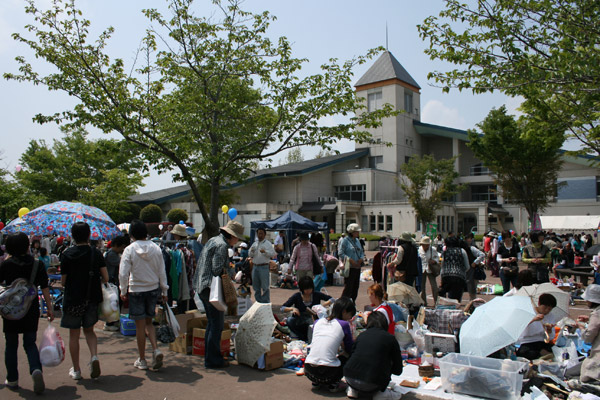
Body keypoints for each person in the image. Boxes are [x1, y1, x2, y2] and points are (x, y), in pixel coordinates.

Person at [0, 232, 54, 394]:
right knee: (29, 343)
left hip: (11, 310)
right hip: (30, 308)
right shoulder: (36, 264)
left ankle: (12, 378)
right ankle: (36, 369)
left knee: (11, 344)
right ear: (27, 246)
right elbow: (45, 287)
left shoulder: (5, 265)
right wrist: (49, 308)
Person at [60, 222, 109, 380]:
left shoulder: (67, 254)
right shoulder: (96, 253)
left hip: (73, 299)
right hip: (91, 298)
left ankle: (76, 370)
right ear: (89, 235)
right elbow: (106, 277)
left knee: (74, 335)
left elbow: (63, 281)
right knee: (89, 331)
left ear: (72, 236)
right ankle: (94, 357)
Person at [193, 220, 245, 368]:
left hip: (202, 285)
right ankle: (213, 360)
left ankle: (210, 356)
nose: (237, 241)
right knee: (216, 324)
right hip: (210, 288)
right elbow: (217, 269)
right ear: (232, 236)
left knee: (212, 322)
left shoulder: (213, 240)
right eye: (237, 238)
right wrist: (229, 272)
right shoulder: (222, 246)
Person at [119, 220, 168, 370]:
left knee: (139, 326)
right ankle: (156, 349)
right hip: (153, 289)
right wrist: (164, 290)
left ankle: (142, 359)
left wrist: (123, 290)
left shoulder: (129, 249)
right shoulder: (156, 248)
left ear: (132, 234)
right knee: (149, 322)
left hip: (136, 290)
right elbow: (162, 271)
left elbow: (123, 273)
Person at [343, 311, 403, 399]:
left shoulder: (361, 335)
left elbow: (352, 355)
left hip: (349, 378)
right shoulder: (390, 338)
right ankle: (380, 394)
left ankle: (353, 391)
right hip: (372, 383)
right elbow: (398, 370)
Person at [305, 297, 356, 392]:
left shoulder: (318, 322)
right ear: (344, 311)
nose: (350, 319)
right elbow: (350, 348)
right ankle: (333, 384)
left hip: (309, 371)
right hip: (329, 374)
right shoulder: (344, 325)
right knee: (348, 356)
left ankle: (316, 382)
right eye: (350, 315)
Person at [281, 276, 332, 341]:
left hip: (313, 320)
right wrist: (292, 309)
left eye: (310, 288)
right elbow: (282, 308)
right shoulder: (297, 296)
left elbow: (332, 299)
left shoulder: (316, 294)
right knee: (289, 320)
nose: (308, 291)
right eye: (306, 289)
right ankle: (300, 337)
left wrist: (322, 305)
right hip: (300, 320)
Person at [516, 293, 558, 360]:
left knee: (556, 350)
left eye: (549, 309)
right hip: (528, 341)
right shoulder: (528, 312)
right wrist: (533, 320)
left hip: (541, 341)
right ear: (539, 303)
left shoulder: (551, 316)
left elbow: (550, 338)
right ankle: (542, 355)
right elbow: (519, 327)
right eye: (545, 307)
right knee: (528, 354)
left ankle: (543, 354)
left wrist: (549, 330)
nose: (547, 310)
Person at [103, 234, 130, 331]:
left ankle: (113, 322)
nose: (122, 249)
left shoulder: (112, 253)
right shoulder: (111, 255)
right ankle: (109, 324)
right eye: (122, 247)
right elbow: (122, 264)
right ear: (117, 246)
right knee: (113, 304)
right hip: (112, 283)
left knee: (114, 303)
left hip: (113, 282)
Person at [575, 284, 600, 384]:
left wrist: (581, 328)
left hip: (597, 356)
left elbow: (588, 337)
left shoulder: (597, 314)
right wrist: (589, 320)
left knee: (585, 378)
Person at [248, 227, 276, 303]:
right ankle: (258, 302)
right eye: (258, 233)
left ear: (264, 234)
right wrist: (252, 251)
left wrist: (265, 252)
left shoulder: (268, 244)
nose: (259, 235)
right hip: (255, 266)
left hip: (264, 267)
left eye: (261, 233)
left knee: (265, 287)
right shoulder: (255, 243)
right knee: (256, 287)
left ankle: (266, 302)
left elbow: (273, 254)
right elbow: (250, 254)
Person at [439, 236, 470, 302]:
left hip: (446, 276)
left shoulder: (445, 252)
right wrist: (462, 272)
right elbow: (467, 266)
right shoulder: (462, 251)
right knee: (456, 299)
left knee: (447, 298)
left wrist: (441, 279)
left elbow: (442, 266)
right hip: (458, 277)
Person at [339, 224, 365, 303]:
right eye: (356, 231)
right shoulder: (345, 240)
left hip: (357, 267)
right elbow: (341, 253)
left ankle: (352, 302)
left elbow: (361, 251)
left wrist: (361, 258)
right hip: (349, 267)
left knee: (355, 287)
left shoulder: (357, 240)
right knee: (348, 287)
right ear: (352, 232)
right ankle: (344, 303)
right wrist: (350, 260)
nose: (358, 233)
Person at [418, 236, 440, 306]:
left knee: (434, 286)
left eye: (427, 245)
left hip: (430, 269)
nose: (426, 246)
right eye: (425, 245)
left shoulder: (432, 249)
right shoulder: (419, 250)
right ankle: (424, 302)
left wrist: (434, 261)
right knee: (422, 287)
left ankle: (436, 301)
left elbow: (437, 257)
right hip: (422, 269)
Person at [464, 233, 486, 301]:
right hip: (466, 269)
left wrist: (475, 262)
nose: (469, 240)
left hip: (472, 269)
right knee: (468, 285)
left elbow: (482, 255)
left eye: (470, 238)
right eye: (468, 239)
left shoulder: (472, 248)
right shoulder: (463, 249)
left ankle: (473, 301)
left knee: (472, 286)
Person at [497, 230, 520, 295]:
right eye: (505, 238)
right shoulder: (501, 247)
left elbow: (520, 258)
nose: (507, 239)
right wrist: (505, 260)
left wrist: (515, 259)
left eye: (508, 237)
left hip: (514, 270)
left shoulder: (516, 247)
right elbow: (498, 259)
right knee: (506, 290)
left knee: (517, 288)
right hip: (504, 270)